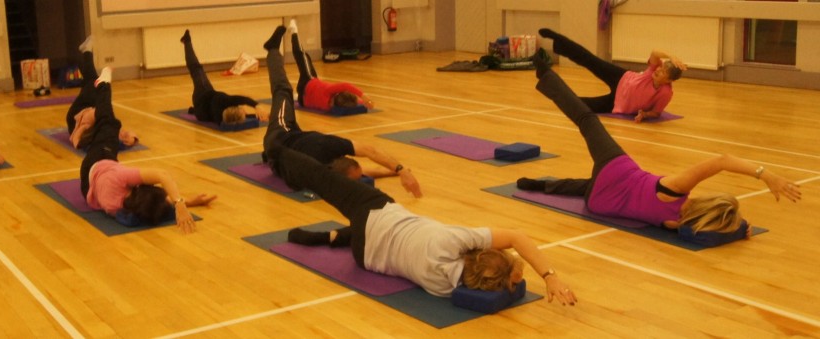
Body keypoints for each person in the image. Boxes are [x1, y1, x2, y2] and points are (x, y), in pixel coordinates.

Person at [262, 27, 575, 303]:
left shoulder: (452, 241)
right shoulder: (443, 287)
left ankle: (277, 150)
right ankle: (328, 238)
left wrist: (550, 275)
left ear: (483, 254)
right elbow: (487, 279)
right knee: (356, 223)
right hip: (366, 255)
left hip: (376, 212)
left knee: (321, 179)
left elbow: (518, 237)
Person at [517, 53, 801, 241]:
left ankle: (545, 75)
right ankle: (538, 186)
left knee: (587, 120)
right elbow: (707, 234)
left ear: (707, 204)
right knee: (585, 185)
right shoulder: (677, 226)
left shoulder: (676, 190)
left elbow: (722, 160)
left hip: (618, 172)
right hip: (601, 202)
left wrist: (766, 175)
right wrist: (738, 231)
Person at [262, 25, 422, 198]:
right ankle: (272, 49)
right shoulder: (329, 149)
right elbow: (370, 153)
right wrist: (397, 170)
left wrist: (399, 171)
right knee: (283, 90)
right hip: (286, 135)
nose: (360, 178)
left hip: (277, 141)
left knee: (283, 91)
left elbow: (363, 162)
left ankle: (272, 50)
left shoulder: (318, 172)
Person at [78, 65, 216, 233]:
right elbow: (151, 205)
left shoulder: (120, 178)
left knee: (109, 122)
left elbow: (161, 175)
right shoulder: (118, 208)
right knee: (108, 129)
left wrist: (179, 204)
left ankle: (103, 84)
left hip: (97, 162)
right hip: (88, 188)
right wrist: (187, 201)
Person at [538, 28, 687, 123]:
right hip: (621, 77)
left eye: (662, 73)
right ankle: (558, 41)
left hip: (617, 104)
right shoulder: (652, 70)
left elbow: (656, 112)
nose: (658, 71)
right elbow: (655, 52)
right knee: (590, 60)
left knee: (580, 103)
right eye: (660, 68)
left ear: (668, 80)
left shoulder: (666, 93)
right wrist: (671, 56)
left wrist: (644, 114)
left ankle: (553, 92)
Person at [66, 37, 140, 150]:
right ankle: (86, 52)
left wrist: (77, 142)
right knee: (91, 81)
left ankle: (87, 52)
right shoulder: (106, 119)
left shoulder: (98, 117)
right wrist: (131, 137)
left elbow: (74, 137)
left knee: (92, 82)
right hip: (86, 111)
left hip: (76, 115)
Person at [180, 29, 264, 126]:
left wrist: (256, 106)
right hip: (200, 111)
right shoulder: (220, 119)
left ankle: (187, 41)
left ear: (235, 109)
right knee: (203, 107)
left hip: (203, 94)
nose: (245, 112)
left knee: (196, 69)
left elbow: (242, 99)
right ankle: (193, 109)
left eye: (243, 113)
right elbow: (239, 118)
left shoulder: (224, 101)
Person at [288, 19, 374, 113]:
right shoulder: (328, 108)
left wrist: (363, 96)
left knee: (303, 56)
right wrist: (363, 102)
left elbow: (346, 85)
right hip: (302, 100)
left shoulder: (328, 91)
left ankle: (294, 32)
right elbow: (351, 102)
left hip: (308, 82)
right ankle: (296, 95)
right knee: (306, 59)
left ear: (335, 95)